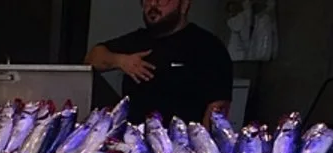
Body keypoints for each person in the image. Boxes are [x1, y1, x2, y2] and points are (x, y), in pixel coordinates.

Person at [85, 0, 233, 125]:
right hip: (132, 143)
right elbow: (92, 58)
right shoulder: (137, 40)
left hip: (182, 146)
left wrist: (203, 150)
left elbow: (218, 108)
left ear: (184, 5)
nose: (153, 4)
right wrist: (121, 60)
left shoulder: (208, 46)